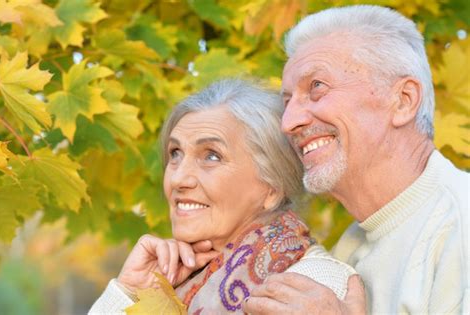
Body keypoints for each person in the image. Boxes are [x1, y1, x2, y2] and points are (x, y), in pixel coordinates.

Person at [243, 5, 469, 315]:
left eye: (317, 87)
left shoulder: (462, 225)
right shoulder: (345, 251)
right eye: (287, 102)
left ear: (403, 101)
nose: (289, 122)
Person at [89, 79, 358, 314]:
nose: (179, 179)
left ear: (272, 188)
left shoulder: (314, 285)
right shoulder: (179, 283)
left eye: (211, 156)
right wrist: (128, 292)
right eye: (175, 154)